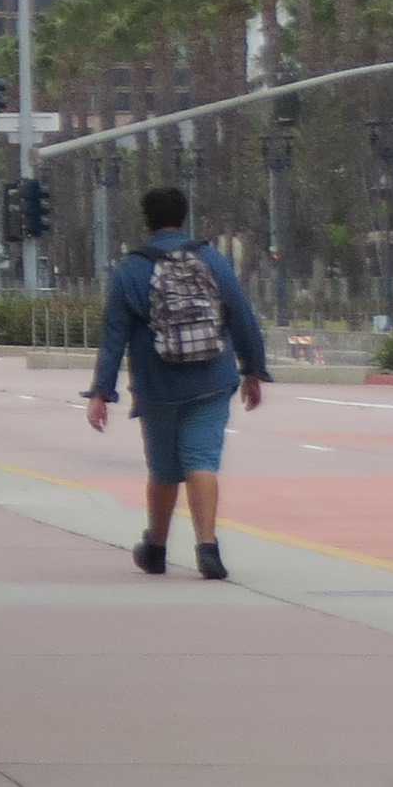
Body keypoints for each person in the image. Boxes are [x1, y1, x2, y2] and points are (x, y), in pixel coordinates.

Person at [83, 182, 271, 579]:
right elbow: (241, 315)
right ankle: (208, 548)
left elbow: (114, 334)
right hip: (211, 378)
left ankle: (156, 547)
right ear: (183, 216)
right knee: (202, 461)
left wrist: (102, 392)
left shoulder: (131, 269)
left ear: (147, 221)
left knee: (165, 470)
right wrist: (253, 369)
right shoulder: (212, 261)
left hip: (156, 385)